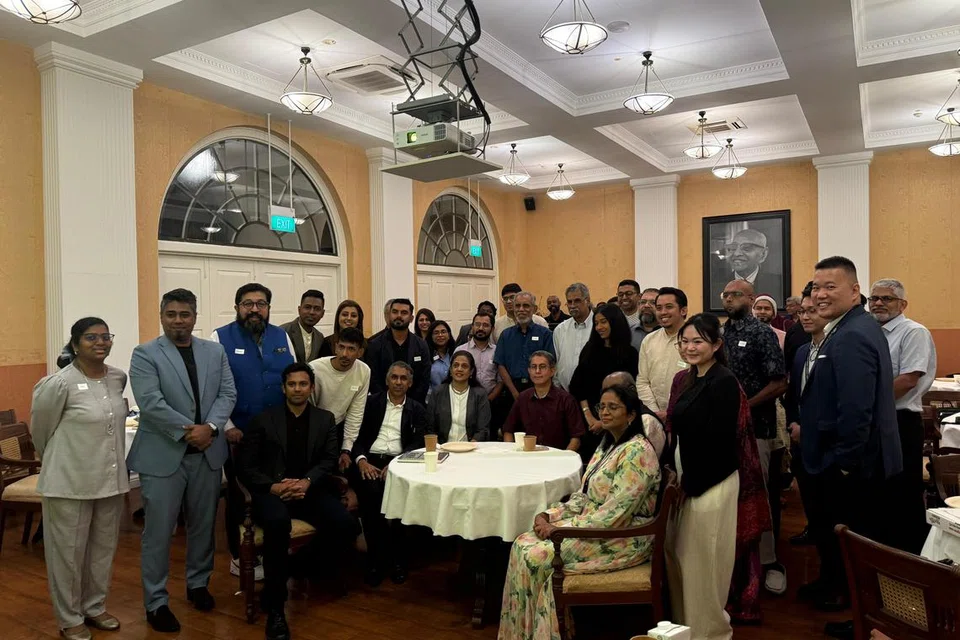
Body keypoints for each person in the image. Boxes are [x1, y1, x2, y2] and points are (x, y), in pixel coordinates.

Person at [498, 383, 662, 640]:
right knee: (521, 544)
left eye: (613, 407)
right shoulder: (608, 444)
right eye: (602, 407)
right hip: (595, 526)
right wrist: (550, 515)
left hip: (625, 537)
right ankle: (523, 634)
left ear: (631, 414)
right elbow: (584, 496)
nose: (604, 412)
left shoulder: (638, 452)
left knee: (538, 556)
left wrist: (561, 528)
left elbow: (615, 515)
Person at [798, 257, 901, 635]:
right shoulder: (848, 327)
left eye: (831, 287)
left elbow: (857, 410)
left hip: (854, 466)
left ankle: (860, 619)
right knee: (841, 539)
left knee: (857, 541)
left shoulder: (853, 333)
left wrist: (843, 463)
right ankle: (841, 594)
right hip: (845, 460)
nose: (820, 295)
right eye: (816, 287)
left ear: (855, 291)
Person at [128, 288, 236, 633]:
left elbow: (227, 393)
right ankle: (156, 601)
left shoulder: (215, 351)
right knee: (158, 532)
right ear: (162, 316)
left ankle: (198, 584)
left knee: (203, 527)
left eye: (184, 314)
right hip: (164, 456)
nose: (178, 321)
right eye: (171, 314)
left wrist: (212, 428)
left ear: (194, 317)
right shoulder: (145, 354)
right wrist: (191, 431)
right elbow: (150, 402)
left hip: (207, 455)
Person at [664, 313, 769, 639]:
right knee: (685, 558)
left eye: (698, 341)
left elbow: (721, 442)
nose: (689, 347)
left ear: (716, 345)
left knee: (706, 563)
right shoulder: (690, 377)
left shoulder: (723, 381)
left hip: (712, 482)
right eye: (685, 341)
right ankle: (687, 627)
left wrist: (690, 485)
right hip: (690, 480)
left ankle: (710, 632)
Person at [236, 363, 359, 640]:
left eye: (303, 384)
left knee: (345, 524)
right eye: (292, 384)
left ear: (311, 388)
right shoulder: (263, 420)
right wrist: (275, 487)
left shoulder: (325, 419)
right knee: (278, 524)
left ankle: (298, 565)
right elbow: (246, 466)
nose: (297, 389)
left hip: (309, 490)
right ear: (283, 388)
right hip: (272, 492)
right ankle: (276, 609)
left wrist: (307, 482)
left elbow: (328, 459)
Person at [30, 318, 129, 640]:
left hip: (109, 480)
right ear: (75, 344)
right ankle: (69, 617)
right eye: (91, 337)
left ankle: (94, 607)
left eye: (105, 336)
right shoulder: (58, 383)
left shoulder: (117, 377)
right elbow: (41, 432)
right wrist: (59, 461)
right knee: (68, 556)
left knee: (102, 551)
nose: (100, 342)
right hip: (69, 482)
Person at [211, 283, 296, 578]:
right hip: (239, 433)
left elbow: (292, 378)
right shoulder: (220, 338)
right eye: (248, 304)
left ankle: (274, 546)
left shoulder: (281, 336)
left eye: (261, 304)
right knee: (238, 496)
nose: (255, 309)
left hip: (277, 433)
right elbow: (213, 388)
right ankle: (239, 556)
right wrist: (228, 426)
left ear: (269, 308)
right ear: (237, 308)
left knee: (274, 489)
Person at [721, 280, 788, 596]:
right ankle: (736, 563)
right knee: (731, 496)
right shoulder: (721, 334)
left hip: (757, 428)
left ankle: (770, 561)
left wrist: (746, 405)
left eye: (735, 294)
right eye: (725, 295)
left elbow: (779, 383)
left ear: (750, 298)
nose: (728, 299)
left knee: (759, 494)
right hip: (724, 430)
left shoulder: (762, 333)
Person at [869, 278, 936, 554]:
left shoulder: (913, 332)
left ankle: (908, 557)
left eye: (887, 298)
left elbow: (908, 379)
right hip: (874, 420)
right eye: (874, 298)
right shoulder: (870, 333)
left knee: (903, 491)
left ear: (903, 304)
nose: (878, 303)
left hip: (900, 422)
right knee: (878, 489)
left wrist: (865, 403)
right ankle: (880, 551)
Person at [351, 362, 428, 586]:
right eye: (394, 377)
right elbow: (355, 436)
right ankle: (376, 561)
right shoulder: (370, 404)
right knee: (372, 500)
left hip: (399, 463)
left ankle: (398, 561)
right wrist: (361, 460)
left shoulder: (417, 409)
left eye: (403, 378)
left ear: (410, 383)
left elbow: (417, 444)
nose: (398, 382)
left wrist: (396, 464)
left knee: (400, 506)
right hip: (369, 461)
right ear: (387, 380)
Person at [570, 304, 640, 464]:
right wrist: (589, 417)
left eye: (603, 322)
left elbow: (631, 393)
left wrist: (604, 422)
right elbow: (578, 386)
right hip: (590, 423)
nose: (599, 327)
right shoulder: (589, 350)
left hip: (618, 424)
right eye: (596, 323)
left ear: (615, 322)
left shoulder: (630, 354)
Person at [784, 285, 826, 547]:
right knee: (808, 492)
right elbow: (792, 393)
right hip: (799, 436)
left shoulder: (836, 350)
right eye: (802, 312)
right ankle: (813, 528)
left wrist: (808, 429)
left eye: (813, 311)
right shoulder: (802, 351)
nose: (806, 317)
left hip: (823, 438)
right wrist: (792, 423)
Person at [308, 327, 371, 471]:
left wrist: (346, 449)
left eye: (351, 349)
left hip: (338, 428)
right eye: (341, 347)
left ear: (360, 352)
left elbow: (356, 412)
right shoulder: (315, 369)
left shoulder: (364, 371)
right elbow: (308, 408)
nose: (345, 354)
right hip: (313, 428)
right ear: (335, 347)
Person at [502, 351, 584, 452]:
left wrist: (564, 457)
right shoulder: (523, 398)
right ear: (529, 371)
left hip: (556, 457)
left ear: (552, 371)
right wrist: (511, 454)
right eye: (533, 367)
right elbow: (508, 431)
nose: (537, 371)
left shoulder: (566, 400)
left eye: (542, 367)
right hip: (527, 456)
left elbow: (576, 438)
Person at [636, 287, 690, 421]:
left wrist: (671, 412)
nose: (663, 312)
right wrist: (655, 412)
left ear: (683, 310)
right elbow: (642, 381)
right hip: (654, 417)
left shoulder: (695, 340)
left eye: (669, 307)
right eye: (659, 308)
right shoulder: (649, 340)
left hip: (686, 416)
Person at [364, 298, 431, 403]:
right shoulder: (375, 345)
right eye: (395, 312)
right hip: (383, 404)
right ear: (389, 315)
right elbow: (373, 378)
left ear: (411, 318)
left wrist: (409, 404)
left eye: (404, 313)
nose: (399, 316)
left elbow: (424, 379)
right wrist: (388, 403)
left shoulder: (421, 345)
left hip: (414, 405)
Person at [427, 351, 491, 443]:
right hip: (442, 447)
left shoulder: (480, 394)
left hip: (471, 447)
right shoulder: (438, 392)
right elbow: (430, 427)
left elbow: (483, 429)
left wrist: (471, 445)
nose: (459, 369)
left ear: (471, 371)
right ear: (450, 370)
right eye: (456, 365)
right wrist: (438, 447)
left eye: (464, 366)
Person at [601, 372, 666, 458]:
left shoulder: (646, 420)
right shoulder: (611, 425)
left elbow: (650, 459)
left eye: (613, 407)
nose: (605, 412)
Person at [717, 228, 781, 307]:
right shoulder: (718, 287)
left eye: (746, 248)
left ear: (763, 254)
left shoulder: (778, 284)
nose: (736, 254)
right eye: (733, 248)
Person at [553, 282, 594, 391]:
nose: (572, 305)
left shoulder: (599, 327)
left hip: (594, 393)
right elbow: (556, 362)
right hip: (565, 394)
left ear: (587, 300)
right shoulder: (560, 330)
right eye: (569, 302)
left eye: (577, 301)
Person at [280, 290, 325, 364]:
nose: (312, 312)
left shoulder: (319, 337)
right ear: (299, 310)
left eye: (317, 309)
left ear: (322, 313)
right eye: (307, 307)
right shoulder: (283, 332)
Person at [426, 319, 454, 400]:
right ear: (431, 336)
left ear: (449, 334)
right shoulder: (426, 355)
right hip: (433, 399)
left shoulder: (456, 353)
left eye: (443, 332)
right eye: (436, 333)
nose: (440, 335)